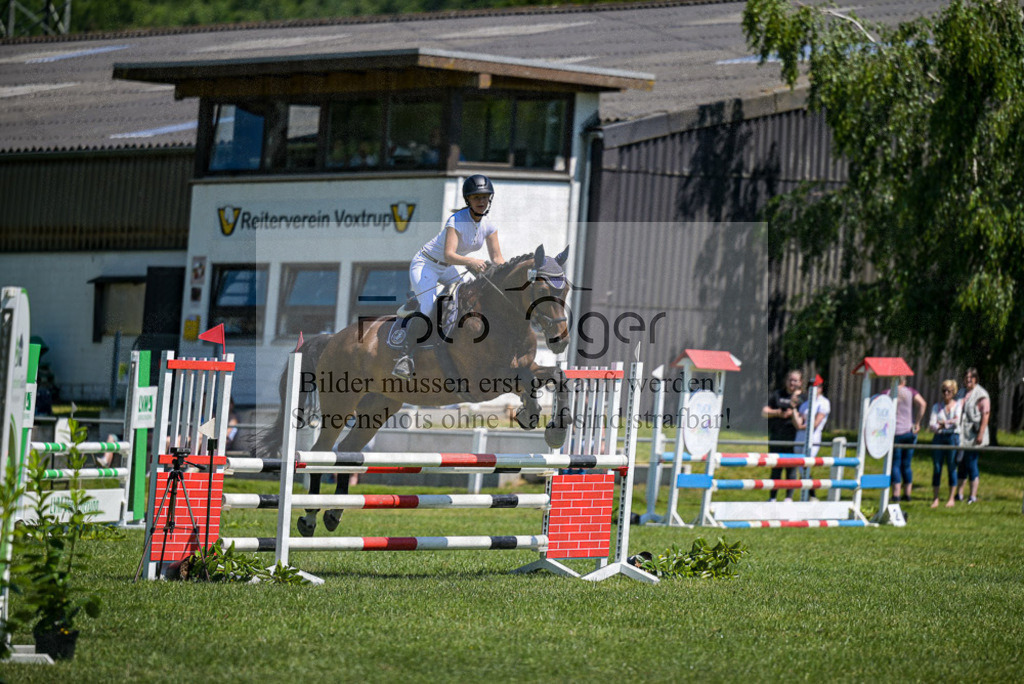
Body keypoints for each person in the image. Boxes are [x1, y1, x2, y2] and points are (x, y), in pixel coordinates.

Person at [392, 174, 505, 378]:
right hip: (426, 264)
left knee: (466, 300)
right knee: (428, 308)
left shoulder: (489, 225)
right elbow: (449, 254)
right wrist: (470, 262)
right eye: (476, 197)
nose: (481, 202)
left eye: (485, 197)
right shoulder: (456, 220)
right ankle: (404, 356)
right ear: (468, 200)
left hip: (447, 268)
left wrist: (510, 273)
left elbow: (498, 258)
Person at [761, 369, 803, 502]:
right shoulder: (777, 394)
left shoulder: (803, 397)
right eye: (790, 380)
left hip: (794, 437)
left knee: (791, 469)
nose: (792, 383)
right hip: (776, 436)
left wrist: (793, 413)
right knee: (776, 468)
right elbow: (764, 411)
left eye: (795, 380)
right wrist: (778, 413)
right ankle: (772, 498)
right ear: (786, 381)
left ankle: (788, 499)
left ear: (800, 382)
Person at [889, 376, 927, 503]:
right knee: (906, 464)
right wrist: (917, 423)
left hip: (895, 432)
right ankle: (908, 494)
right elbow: (923, 404)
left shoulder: (889, 392)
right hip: (909, 431)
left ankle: (896, 494)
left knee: (895, 464)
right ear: (904, 381)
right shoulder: (911, 391)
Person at [956, 367, 989, 504]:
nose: (968, 380)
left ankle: (973, 496)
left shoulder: (981, 394)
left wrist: (980, 434)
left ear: (976, 379)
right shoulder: (961, 392)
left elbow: (985, 415)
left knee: (971, 464)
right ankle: (959, 494)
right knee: (961, 464)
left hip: (974, 435)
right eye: (966, 378)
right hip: (962, 434)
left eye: (971, 378)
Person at [792, 379, 830, 500]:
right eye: (809, 388)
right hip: (800, 437)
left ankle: (811, 495)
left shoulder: (823, 403)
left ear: (821, 388)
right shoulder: (805, 404)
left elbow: (815, 424)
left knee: (805, 467)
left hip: (813, 439)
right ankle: (810, 496)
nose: (812, 390)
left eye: (815, 387)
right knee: (801, 468)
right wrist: (793, 407)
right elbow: (798, 423)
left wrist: (801, 425)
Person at [928, 379, 961, 508]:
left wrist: (942, 424)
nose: (946, 393)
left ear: (953, 392)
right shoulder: (937, 407)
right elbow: (932, 425)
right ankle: (935, 498)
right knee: (937, 467)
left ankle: (951, 498)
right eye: (944, 391)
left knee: (952, 467)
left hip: (953, 438)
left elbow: (957, 421)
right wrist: (946, 424)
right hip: (939, 438)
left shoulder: (958, 405)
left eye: (949, 391)